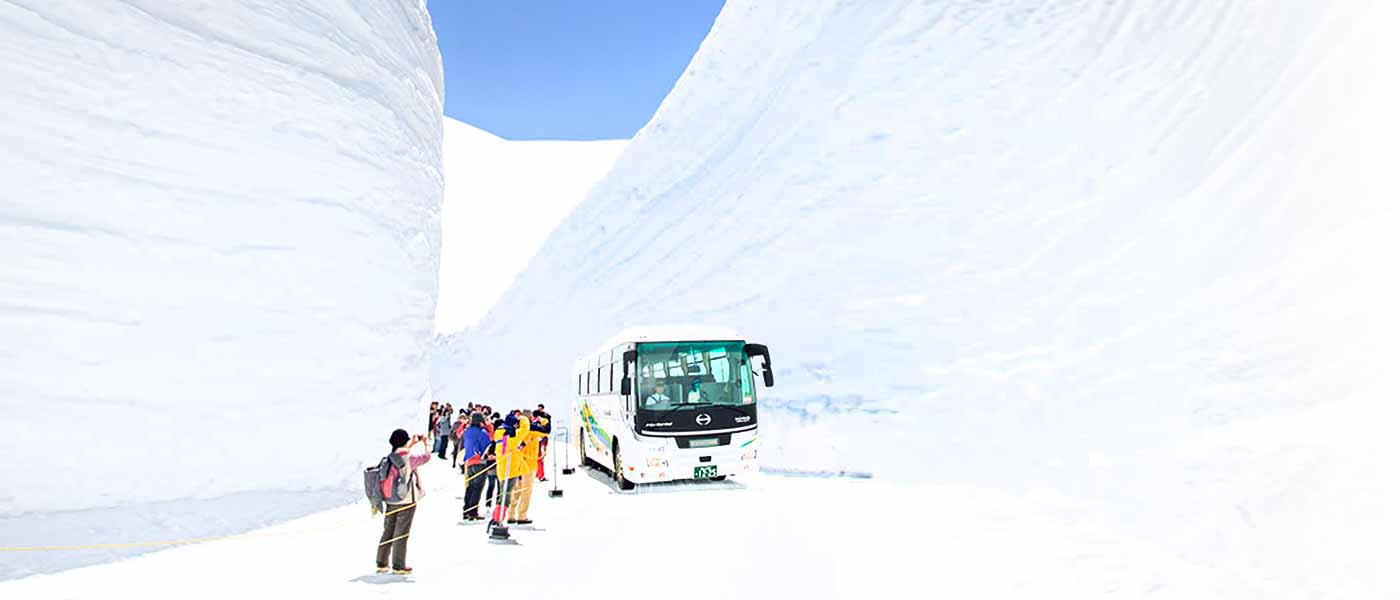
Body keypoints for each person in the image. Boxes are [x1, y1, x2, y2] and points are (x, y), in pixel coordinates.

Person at [376, 429, 430, 575]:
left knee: (388, 530)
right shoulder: (409, 458)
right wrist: (426, 443)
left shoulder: (390, 457)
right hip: (406, 501)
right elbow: (426, 457)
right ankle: (398, 566)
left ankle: (381, 563)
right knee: (401, 533)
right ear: (404, 442)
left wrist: (411, 443)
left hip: (390, 500)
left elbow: (403, 455)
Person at [509, 414, 547, 525]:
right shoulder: (532, 432)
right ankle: (522, 516)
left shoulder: (516, 432)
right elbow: (546, 431)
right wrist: (543, 420)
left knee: (515, 490)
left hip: (516, 465)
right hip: (529, 466)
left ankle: (510, 515)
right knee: (526, 492)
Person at [459, 413, 492, 520]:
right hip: (480, 461)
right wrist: (488, 426)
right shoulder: (482, 432)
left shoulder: (467, 431)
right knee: (477, 487)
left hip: (469, 461)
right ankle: (473, 512)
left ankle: (466, 510)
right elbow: (488, 444)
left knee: (470, 487)